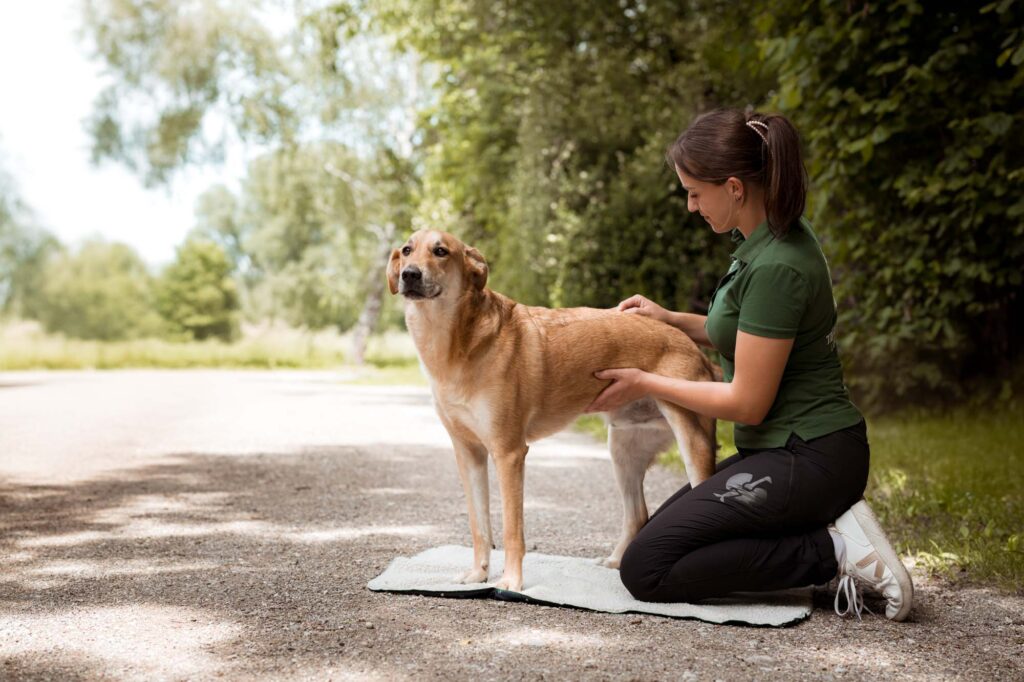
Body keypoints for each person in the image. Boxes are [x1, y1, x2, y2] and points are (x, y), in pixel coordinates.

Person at [585, 108, 913, 621]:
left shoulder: (779, 266)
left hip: (811, 457)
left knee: (646, 567)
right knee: (661, 539)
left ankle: (835, 551)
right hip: (785, 455)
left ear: (734, 187)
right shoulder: (768, 239)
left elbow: (747, 403)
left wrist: (647, 382)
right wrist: (669, 318)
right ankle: (821, 529)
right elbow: (751, 334)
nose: (691, 206)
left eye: (695, 193)